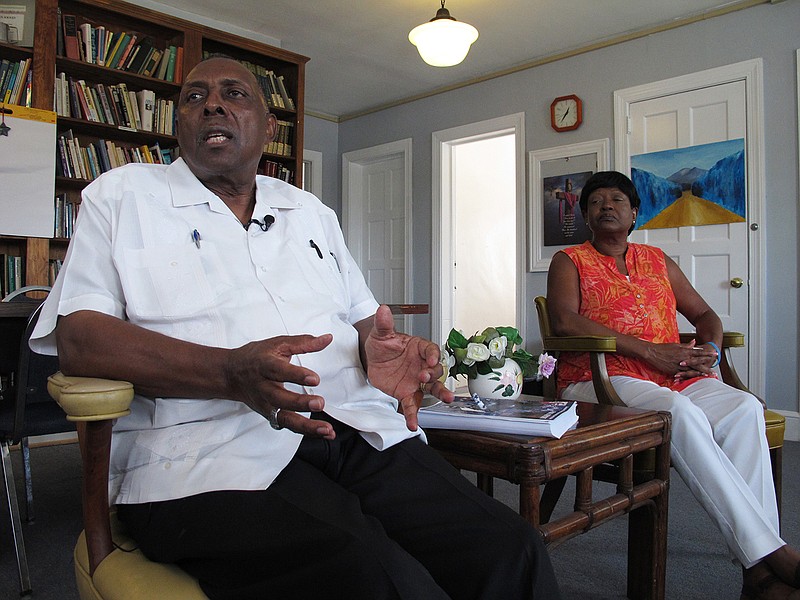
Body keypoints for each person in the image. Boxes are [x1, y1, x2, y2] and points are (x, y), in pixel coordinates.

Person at [30, 56, 560, 599]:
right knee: (379, 577)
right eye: (194, 97)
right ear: (178, 125)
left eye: (234, 94)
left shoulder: (310, 212)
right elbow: (79, 336)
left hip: (354, 429)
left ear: (268, 126)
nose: (211, 104)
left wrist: (379, 352)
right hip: (200, 456)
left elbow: (363, 318)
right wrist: (229, 373)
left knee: (511, 550)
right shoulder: (120, 197)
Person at [546, 170, 800, 600]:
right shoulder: (570, 260)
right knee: (675, 413)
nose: (607, 205)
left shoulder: (657, 260)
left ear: (634, 214)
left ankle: (756, 570)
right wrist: (647, 350)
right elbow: (564, 321)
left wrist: (711, 354)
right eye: (596, 201)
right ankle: (767, 557)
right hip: (599, 378)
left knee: (743, 409)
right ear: (587, 216)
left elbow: (705, 317)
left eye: (618, 200)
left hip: (670, 374)